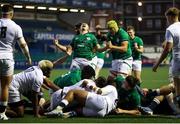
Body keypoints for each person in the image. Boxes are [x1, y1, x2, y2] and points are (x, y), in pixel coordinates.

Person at [0, 4, 31, 120]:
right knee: (5, 87)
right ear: (12, 14)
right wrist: (28, 57)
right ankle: (2, 114)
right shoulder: (16, 27)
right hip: (7, 58)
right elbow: (23, 45)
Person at [45, 77, 118, 118]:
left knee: (73, 92)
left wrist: (89, 85)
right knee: (77, 110)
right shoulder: (115, 97)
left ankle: (58, 109)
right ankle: (65, 115)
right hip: (102, 113)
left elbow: (99, 91)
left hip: (103, 103)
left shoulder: (112, 87)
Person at [152, 7, 180, 106]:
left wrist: (157, 63)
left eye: (167, 18)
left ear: (171, 17)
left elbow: (167, 49)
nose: (167, 20)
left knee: (177, 87)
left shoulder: (170, 29)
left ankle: (178, 111)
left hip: (177, 61)